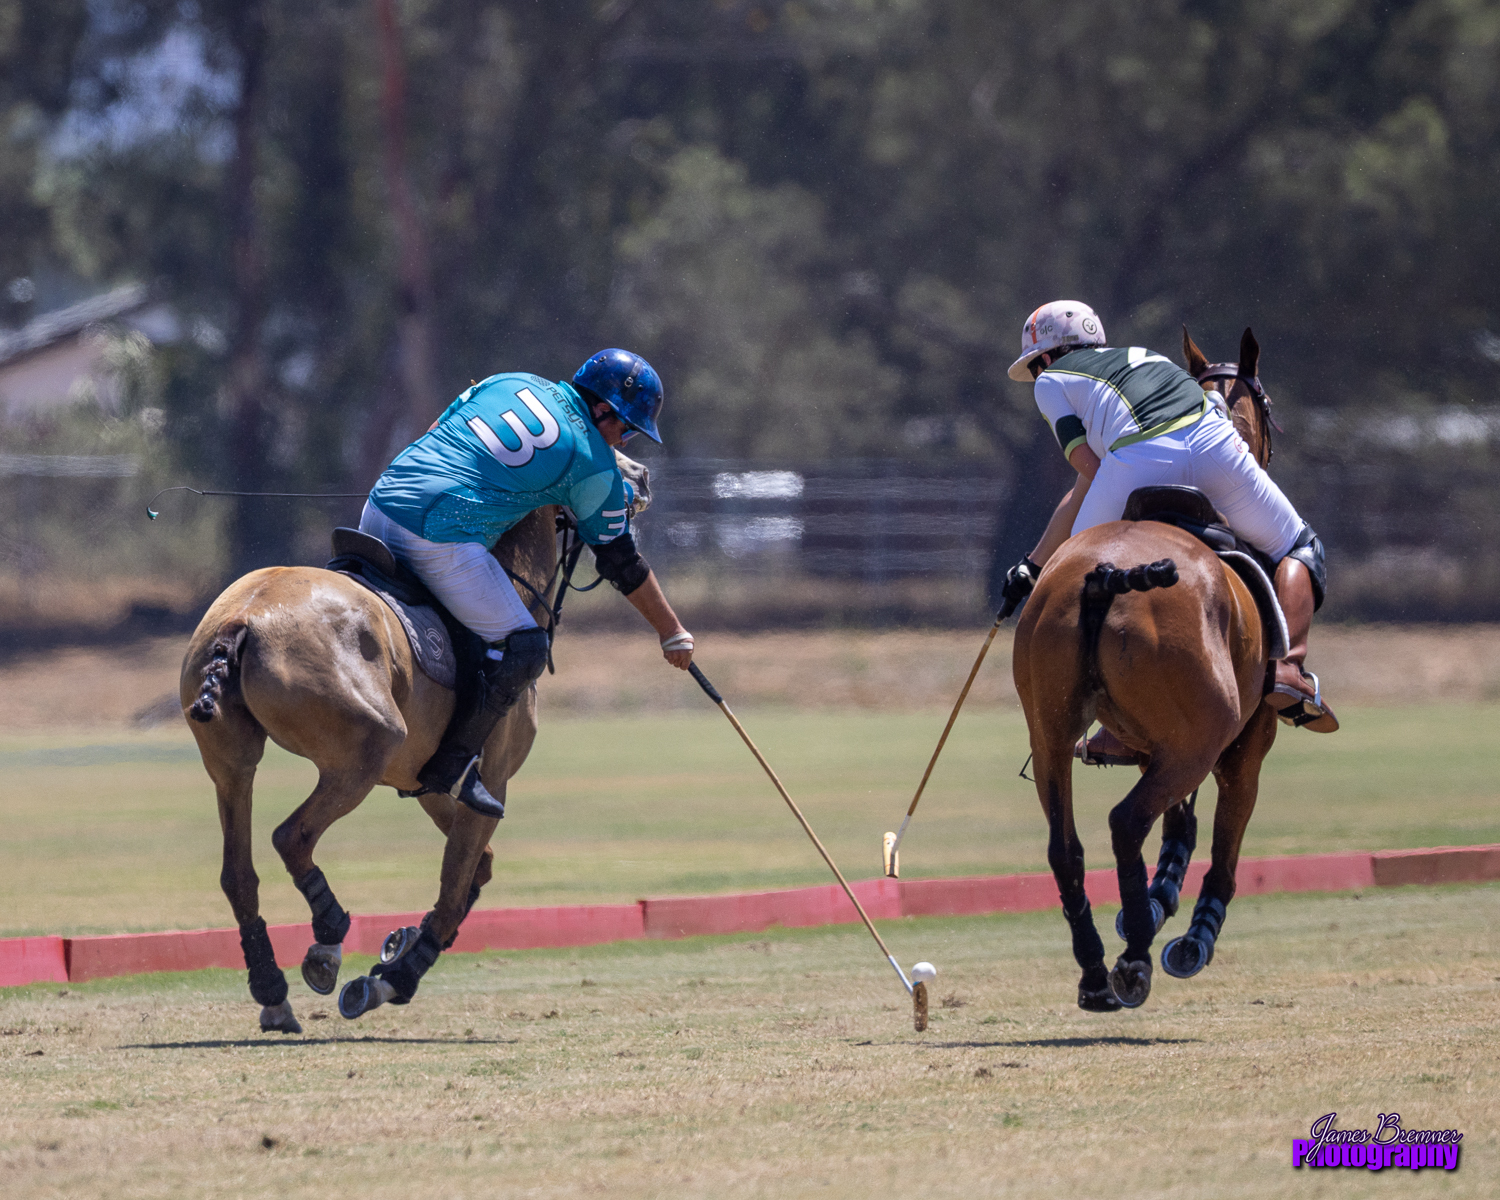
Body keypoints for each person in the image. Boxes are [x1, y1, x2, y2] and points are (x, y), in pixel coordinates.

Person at [360, 348, 695, 816]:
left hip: (377, 508)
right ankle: (452, 767)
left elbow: (441, 431)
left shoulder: (510, 380)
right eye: (627, 428)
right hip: (436, 535)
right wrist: (671, 631)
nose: (625, 442)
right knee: (525, 646)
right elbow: (620, 561)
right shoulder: (591, 462)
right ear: (602, 409)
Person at [994, 300, 1336, 736]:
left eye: (1034, 366)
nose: (1036, 376)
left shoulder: (1052, 381)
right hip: (1216, 447)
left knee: (1075, 578)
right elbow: (1083, 489)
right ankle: (1287, 669)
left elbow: (1089, 468)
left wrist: (1045, 570)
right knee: (1301, 545)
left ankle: (1107, 716)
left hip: (1137, 458)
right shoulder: (1146, 358)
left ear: (1045, 357)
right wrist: (1034, 562)